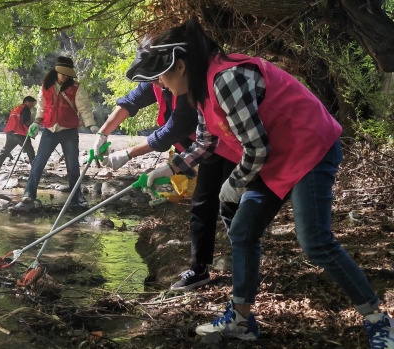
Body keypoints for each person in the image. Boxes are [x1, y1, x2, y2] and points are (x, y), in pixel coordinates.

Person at [136, 18, 391, 346]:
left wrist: (235, 183)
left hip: (309, 147)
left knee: (315, 242)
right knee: (242, 230)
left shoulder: (226, 79)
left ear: (181, 66)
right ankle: (242, 320)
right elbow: (205, 140)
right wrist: (171, 168)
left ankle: (378, 319)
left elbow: (256, 148)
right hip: (274, 157)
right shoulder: (199, 88)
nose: (159, 83)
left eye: (161, 75)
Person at [93, 79, 241, 291]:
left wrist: (126, 154)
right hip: (205, 148)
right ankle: (199, 269)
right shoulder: (157, 79)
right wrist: (102, 133)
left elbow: (173, 129)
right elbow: (130, 102)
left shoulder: (186, 84)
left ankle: (244, 268)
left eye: (159, 76)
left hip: (230, 145)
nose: (159, 82)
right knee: (202, 203)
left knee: (230, 205)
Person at [19, 56, 99, 208]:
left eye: (68, 74)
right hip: (49, 129)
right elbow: (42, 108)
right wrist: (36, 123)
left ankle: (76, 197)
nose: (66, 77)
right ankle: (29, 193)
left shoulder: (76, 87)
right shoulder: (45, 86)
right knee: (39, 162)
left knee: (73, 165)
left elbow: (84, 109)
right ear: (56, 71)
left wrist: (91, 125)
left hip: (69, 131)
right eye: (63, 73)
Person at [0, 96, 37, 169]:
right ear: (26, 102)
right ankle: (35, 168)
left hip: (10, 132)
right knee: (30, 151)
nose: (33, 105)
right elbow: (25, 121)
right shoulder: (25, 109)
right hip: (19, 133)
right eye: (32, 103)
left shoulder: (16, 109)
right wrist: (32, 127)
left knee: (6, 150)